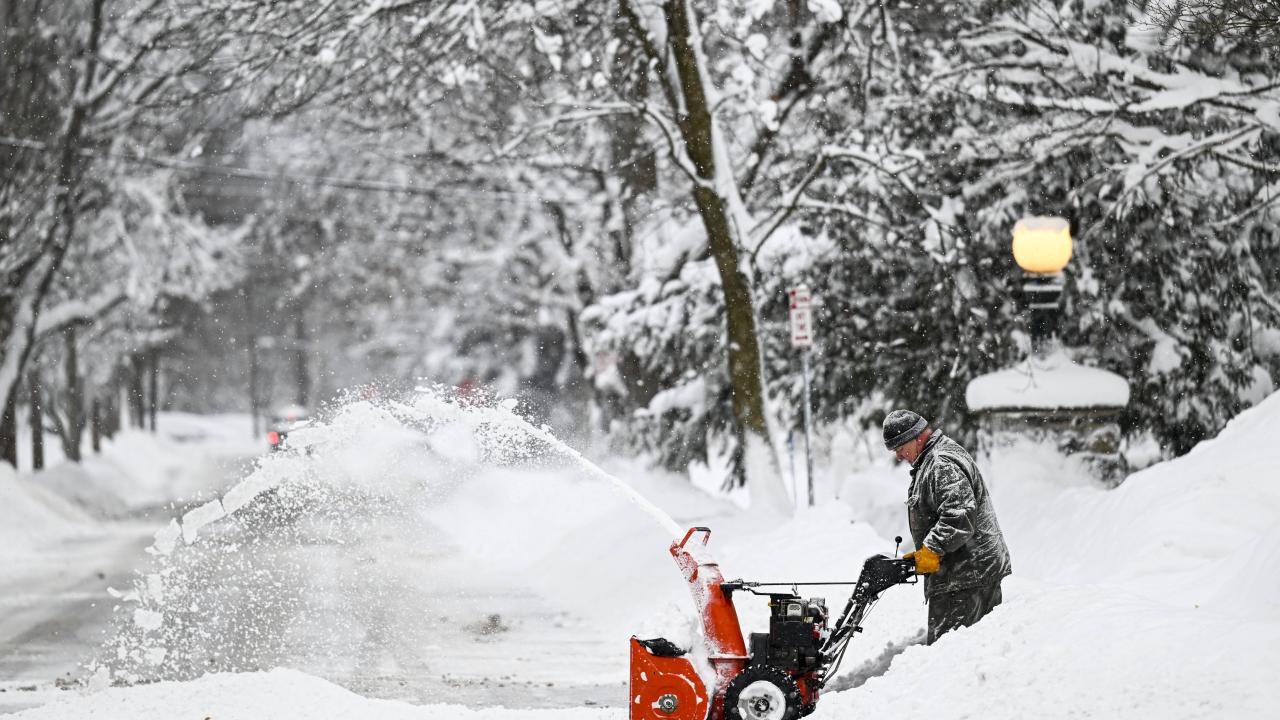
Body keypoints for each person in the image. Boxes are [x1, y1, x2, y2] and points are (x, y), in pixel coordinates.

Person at [882, 409, 1012, 644]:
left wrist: (931, 549)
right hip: (968, 572)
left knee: (951, 651)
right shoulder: (932, 459)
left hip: (967, 577)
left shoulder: (941, 463)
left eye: (900, 448)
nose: (899, 456)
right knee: (972, 649)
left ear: (916, 438)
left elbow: (959, 516)